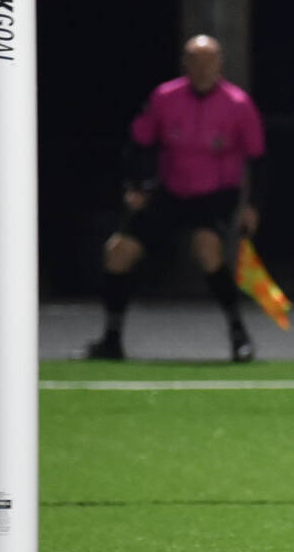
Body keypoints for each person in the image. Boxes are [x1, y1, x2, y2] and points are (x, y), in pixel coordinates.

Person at [84, 34, 266, 363]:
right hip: (170, 192)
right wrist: (135, 186)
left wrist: (253, 206)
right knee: (118, 252)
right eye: (194, 60)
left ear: (220, 63)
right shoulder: (165, 97)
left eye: (208, 60)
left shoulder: (238, 104)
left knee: (207, 249)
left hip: (215, 195)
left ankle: (239, 334)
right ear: (185, 64)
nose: (202, 68)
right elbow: (139, 144)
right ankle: (111, 338)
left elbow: (258, 157)